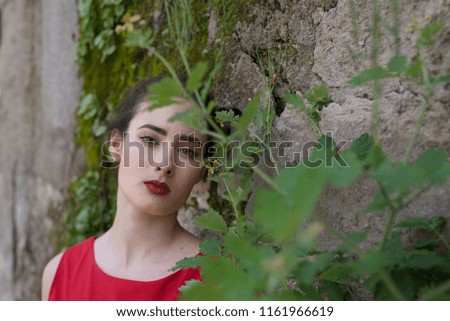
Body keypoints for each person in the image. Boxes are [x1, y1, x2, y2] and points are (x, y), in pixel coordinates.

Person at [41, 78, 208, 300]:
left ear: (201, 173)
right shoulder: (60, 274)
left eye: (187, 151)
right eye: (149, 140)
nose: (165, 163)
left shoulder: (221, 275)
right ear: (116, 145)